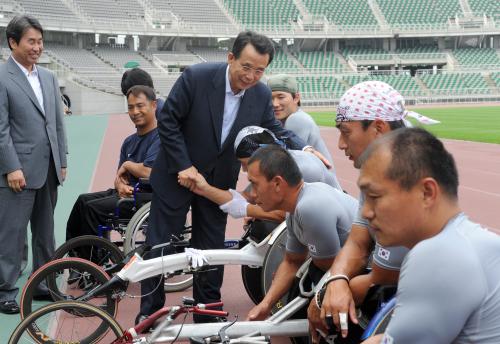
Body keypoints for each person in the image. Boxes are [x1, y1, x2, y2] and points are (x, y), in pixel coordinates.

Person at [140, 30, 330, 323]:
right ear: (231, 58)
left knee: (211, 249)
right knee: (159, 245)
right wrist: (183, 165)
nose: (252, 76)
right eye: (246, 66)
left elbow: (274, 131)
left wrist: (304, 146)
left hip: (217, 179)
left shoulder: (261, 93)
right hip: (175, 174)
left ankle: (207, 316)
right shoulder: (197, 77)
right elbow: (168, 120)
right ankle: (149, 316)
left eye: (260, 70)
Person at [308, 81, 439, 343]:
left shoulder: (407, 176)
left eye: (346, 133)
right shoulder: (378, 169)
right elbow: (357, 240)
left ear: (379, 128)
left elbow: (384, 275)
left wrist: (336, 288)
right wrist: (336, 281)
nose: (341, 145)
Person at [359, 128, 500, 344]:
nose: (365, 212)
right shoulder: (475, 243)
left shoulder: (439, 255)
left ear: (427, 193)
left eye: (374, 196)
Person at [241, 145, 358, 321]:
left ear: (278, 183)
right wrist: (265, 305)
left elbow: (331, 269)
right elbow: (291, 261)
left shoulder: (310, 207)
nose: (252, 193)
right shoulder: (294, 208)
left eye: (255, 184)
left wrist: (316, 302)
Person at [0, 15, 68, 314]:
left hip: (49, 169)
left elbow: (56, 123)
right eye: (31, 41)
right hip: (17, 173)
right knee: (12, 234)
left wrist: (62, 158)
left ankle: (42, 284)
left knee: (45, 233)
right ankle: (5, 291)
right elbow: (1, 129)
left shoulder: (49, 78)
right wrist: (11, 167)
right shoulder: (3, 78)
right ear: (13, 42)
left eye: (40, 41)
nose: (37, 47)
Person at [182, 125, 343, 224]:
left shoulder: (302, 167)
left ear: (262, 155)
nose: (244, 170)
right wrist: (204, 188)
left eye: (246, 163)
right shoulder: (273, 166)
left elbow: (282, 215)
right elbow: (242, 198)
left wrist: (249, 210)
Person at [65, 85, 160, 248]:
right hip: (126, 195)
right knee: (82, 201)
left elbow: (149, 172)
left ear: (154, 105)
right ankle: (76, 258)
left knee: (92, 209)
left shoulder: (160, 137)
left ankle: (92, 263)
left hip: (147, 198)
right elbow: (119, 176)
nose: (135, 111)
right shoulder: (129, 142)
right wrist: (120, 185)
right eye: (130, 107)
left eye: (140, 105)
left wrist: (128, 164)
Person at [267, 74, 334, 166]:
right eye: (271, 98)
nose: (275, 104)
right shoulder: (281, 122)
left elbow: (287, 164)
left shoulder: (296, 119)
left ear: (296, 98)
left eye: (281, 97)